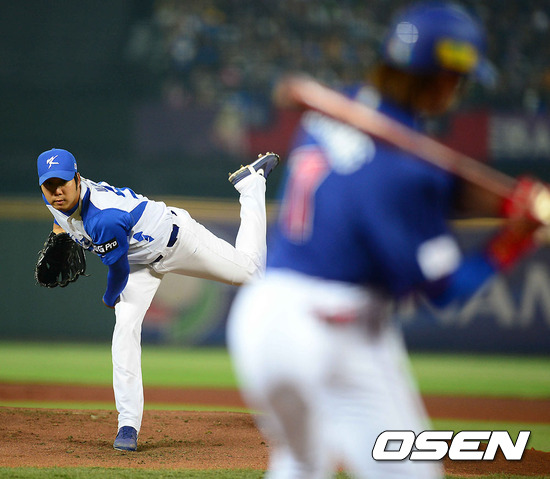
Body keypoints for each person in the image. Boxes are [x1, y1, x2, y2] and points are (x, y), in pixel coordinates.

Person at [226, 2, 548, 478]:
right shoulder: (408, 170)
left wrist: (506, 205)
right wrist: (513, 239)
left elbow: (425, 184)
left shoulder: (337, 109)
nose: (458, 90)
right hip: (338, 329)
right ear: (441, 78)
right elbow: (446, 290)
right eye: (459, 79)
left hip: (262, 322)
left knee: (300, 464)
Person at [36, 148, 279, 451]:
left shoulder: (103, 218)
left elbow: (118, 273)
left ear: (77, 178)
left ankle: (251, 184)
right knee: (125, 329)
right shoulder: (54, 201)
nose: (57, 191)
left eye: (62, 183)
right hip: (139, 262)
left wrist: (110, 298)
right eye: (49, 185)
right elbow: (61, 220)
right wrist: (60, 232)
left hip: (177, 241)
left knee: (252, 273)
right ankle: (128, 424)